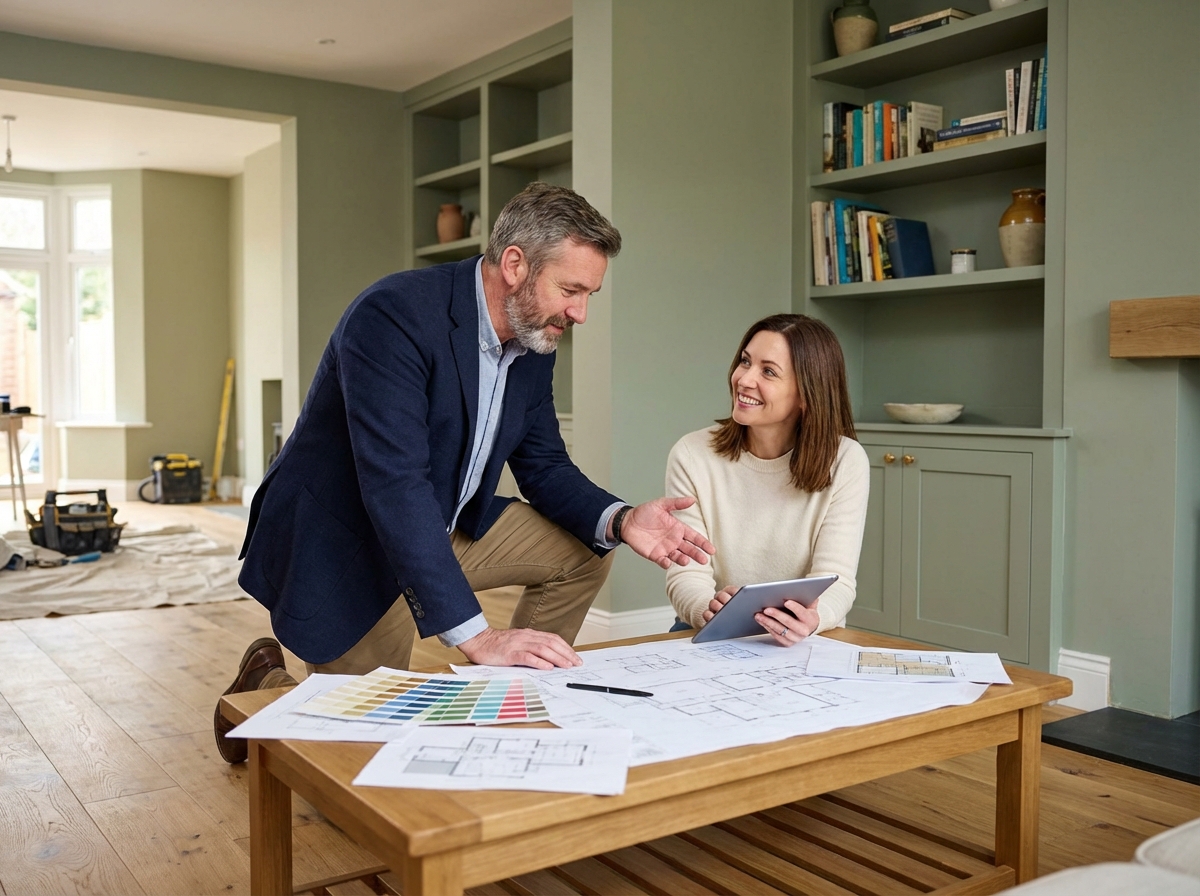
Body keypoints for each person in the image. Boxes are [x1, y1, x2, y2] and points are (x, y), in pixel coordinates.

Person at [215, 183, 715, 762]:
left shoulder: (532, 341)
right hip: (348, 544)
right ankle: (265, 687)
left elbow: (544, 464)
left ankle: (509, 696)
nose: (580, 313)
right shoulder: (393, 316)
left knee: (587, 548)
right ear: (514, 265)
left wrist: (623, 520)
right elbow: (395, 485)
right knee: (360, 760)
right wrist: (479, 636)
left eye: (589, 294)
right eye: (571, 290)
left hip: (442, 524)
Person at [664, 313, 869, 645]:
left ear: (807, 394)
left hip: (806, 637)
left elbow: (838, 580)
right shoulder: (691, 454)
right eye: (745, 361)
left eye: (768, 371)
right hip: (711, 631)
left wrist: (812, 620)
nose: (744, 379)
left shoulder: (845, 460)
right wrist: (709, 609)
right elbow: (687, 573)